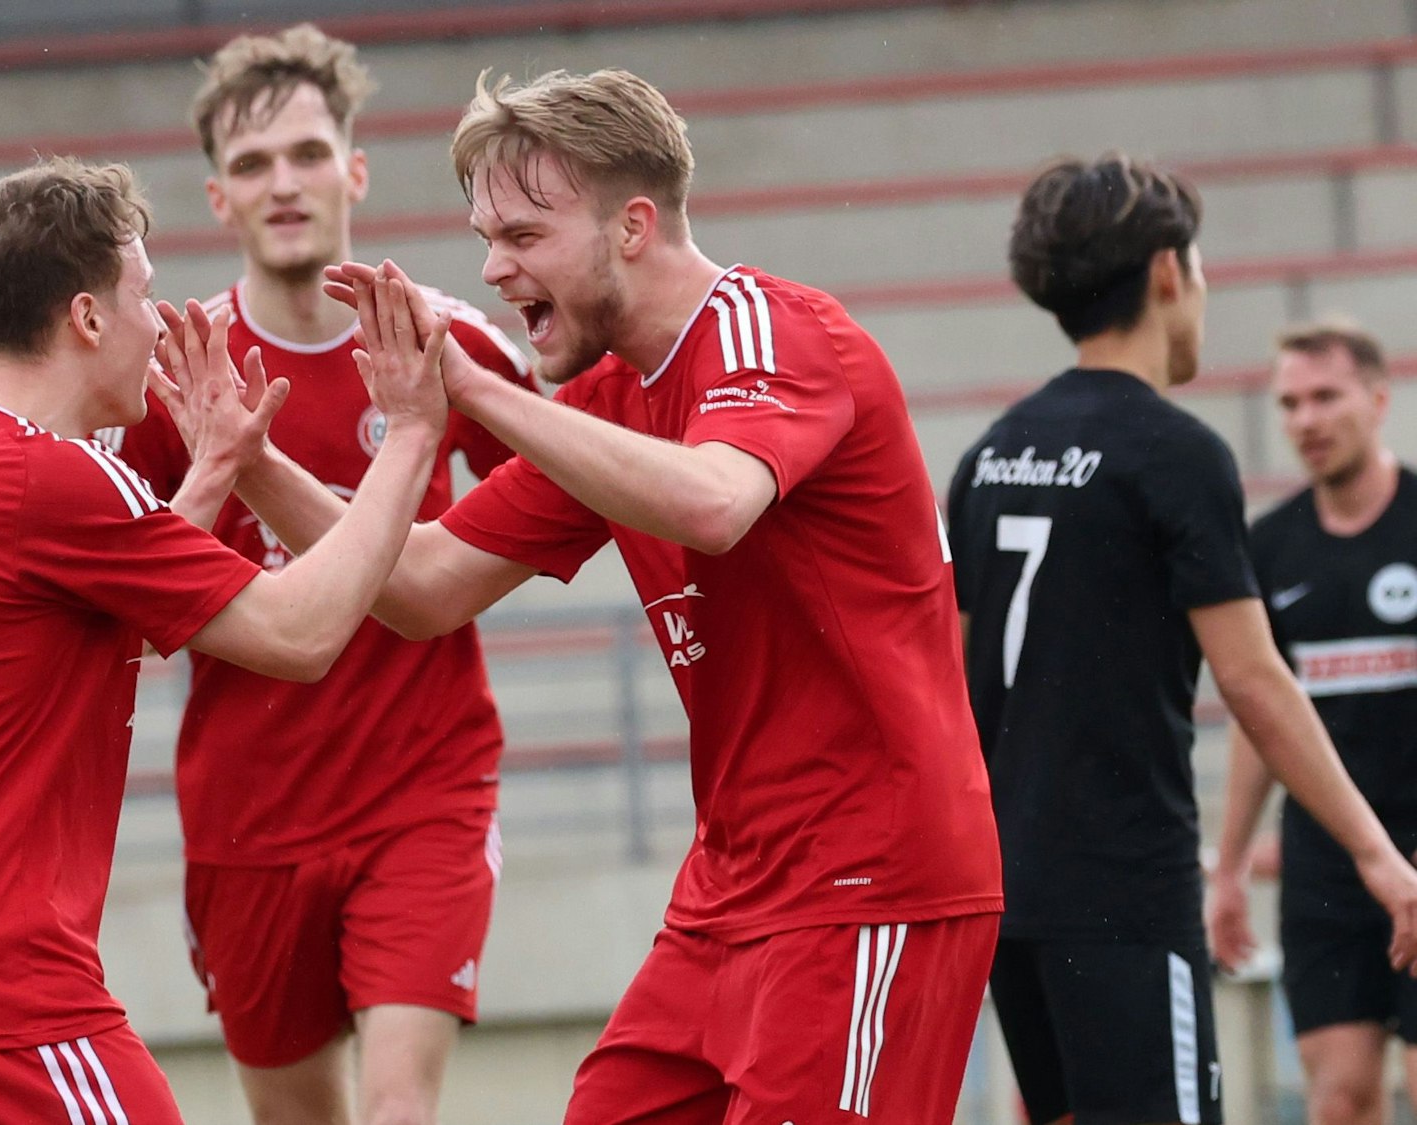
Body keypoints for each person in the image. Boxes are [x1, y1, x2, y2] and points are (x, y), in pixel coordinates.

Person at [163, 67, 1004, 1124]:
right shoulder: (610, 397)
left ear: (632, 227)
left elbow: (711, 502)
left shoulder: (773, 336)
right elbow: (420, 586)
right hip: (730, 888)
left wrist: (462, 390)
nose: (490, 268)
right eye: (485, 236)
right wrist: (248, 461)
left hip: (865, 881)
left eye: (521, 236)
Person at [0, 157, 454, 1124]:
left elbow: (88, 635)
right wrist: (408, 434)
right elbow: (301, 633)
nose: (159, 322)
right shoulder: (52, 477)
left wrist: (223, 464)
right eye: (143, 295)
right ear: (88, 318)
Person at [99, 27, 533, 1125]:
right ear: (215, 198)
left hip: (422, 793)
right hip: (248, 820)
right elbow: (122, 604)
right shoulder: (171, 375)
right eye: (252, 165)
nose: (282, 184)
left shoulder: (451, 341)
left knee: (398, 1113)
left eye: (304, 154)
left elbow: (553, 483)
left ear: (354, 169)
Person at [948, 156, 1417, 1125]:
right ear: (1168, 273)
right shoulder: (1174, 452)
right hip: (1121, 892)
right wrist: (1377, 856)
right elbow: (1253, 681)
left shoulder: (991, 453)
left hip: (1005, 894)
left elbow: (949, 679)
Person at [1207, 321, 1417, 1125]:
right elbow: (1262, 716)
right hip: (1327, 868)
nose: (1306, 420)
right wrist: (1228, 868)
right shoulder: (1271, 545)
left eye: (1326, 396)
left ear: (1377, 398)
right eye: (1290, 402)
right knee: (1340, 1098)